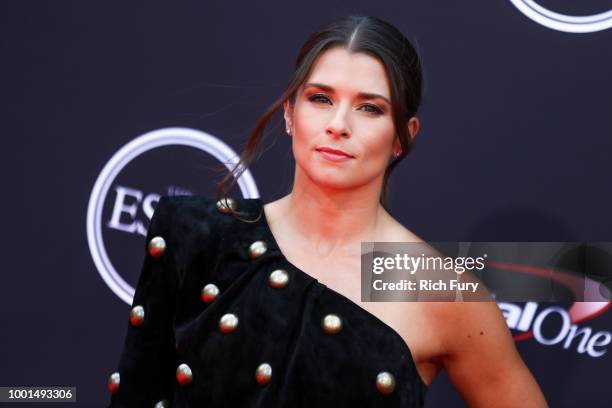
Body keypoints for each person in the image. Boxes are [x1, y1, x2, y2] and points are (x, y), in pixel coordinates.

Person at [107, 15, 548, 407]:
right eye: (320, 98)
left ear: (402, 137)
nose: (338, 124)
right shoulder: (198, 235)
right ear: (289, 112)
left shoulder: (437, 291)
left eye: (369, 108)